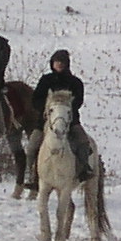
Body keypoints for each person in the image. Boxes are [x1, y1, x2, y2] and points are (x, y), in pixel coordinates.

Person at [30, 48, 95, 181]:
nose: (58, 64)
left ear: (67, 64)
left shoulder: (75, 82)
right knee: (32, 145)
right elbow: (36, 99)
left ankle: (84, 168)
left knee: (83, 141)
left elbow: (79, 101)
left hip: (70, 121)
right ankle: (32, 175)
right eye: (56, 62)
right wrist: (45, 109)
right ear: (52, 63)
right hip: (45, 121)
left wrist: (66, 110)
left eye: (61, 62)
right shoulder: (45, 80)